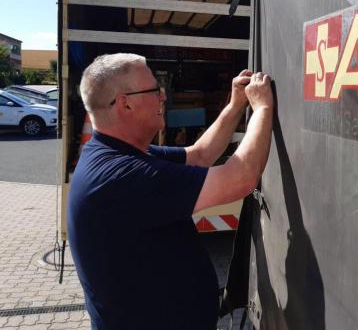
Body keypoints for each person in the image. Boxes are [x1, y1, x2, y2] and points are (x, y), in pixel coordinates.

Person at [68, 53, 273, 330]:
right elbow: (241, 177)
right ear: (124, 104)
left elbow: (200, 155)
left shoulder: (123, 153)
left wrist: (236, 104)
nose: (163, 97)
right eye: (154, 90)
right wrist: (262, 109)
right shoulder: (122, 175)